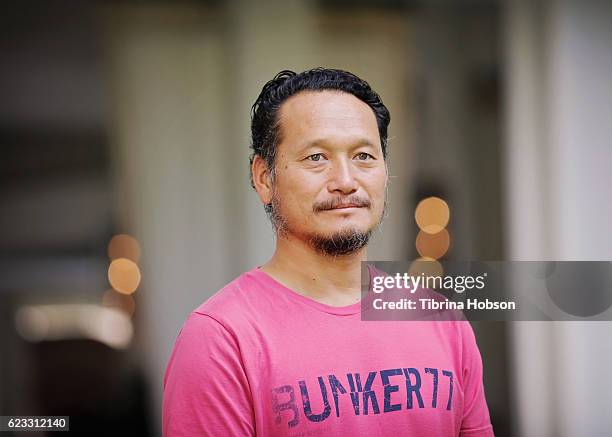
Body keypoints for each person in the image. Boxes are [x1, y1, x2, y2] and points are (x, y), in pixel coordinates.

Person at [162, 68, 494, 436]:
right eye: (317, 157)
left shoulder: (441, 321)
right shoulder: (221, 339)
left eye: (364, 156)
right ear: (263, 177)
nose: (346, 181)